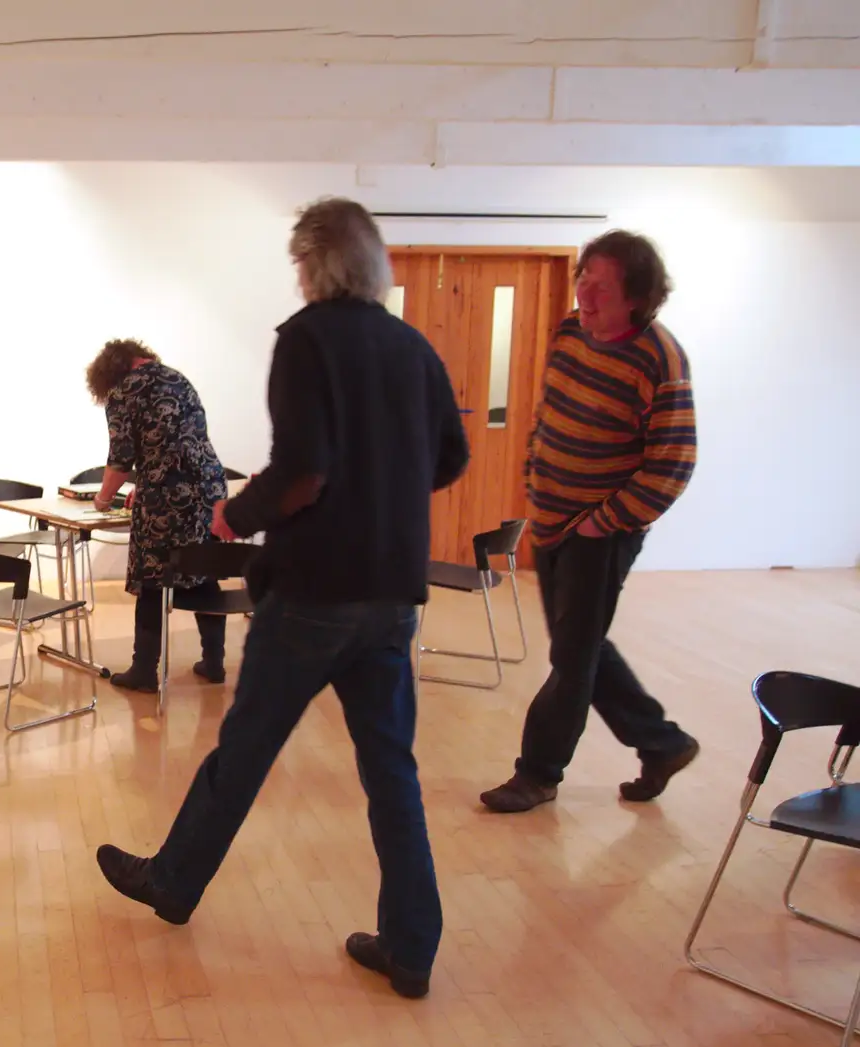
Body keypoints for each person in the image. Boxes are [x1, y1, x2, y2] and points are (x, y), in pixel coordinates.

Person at [94, 198, 469, 999]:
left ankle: (174, 880)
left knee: (247, 750)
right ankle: (412, 944)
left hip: (316, 591)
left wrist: (239, 512)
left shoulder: (307, 340)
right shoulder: (413, 346)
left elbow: (304, 472)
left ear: (313, 261)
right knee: (390, 770)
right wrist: (386, 491)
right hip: (392, 596)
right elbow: (450, 457)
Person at [480, 231, 699, 814]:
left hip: (600, 532)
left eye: (601, 288)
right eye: (583, 280)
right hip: (552, 518)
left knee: (573, 659)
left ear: (638, 297)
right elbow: (549, 411)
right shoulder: (570, 331)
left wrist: (604, 523)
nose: (586, 296)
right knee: (581, 646)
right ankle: (662, 742)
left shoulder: (661, 360)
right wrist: (534, 471)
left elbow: (674, 463)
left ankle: (538, 773)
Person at [84, 340, 231, 691]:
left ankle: (144, 671)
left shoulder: (124, 391)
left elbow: (121, 459)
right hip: (210, 488)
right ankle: (214, 663)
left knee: (153, 579)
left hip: (168, 499)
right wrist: (148, 478)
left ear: (110, 371)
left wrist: (103, 499)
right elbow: (180, 442)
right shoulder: (178, 379)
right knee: (203, 570)